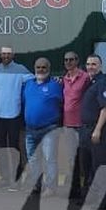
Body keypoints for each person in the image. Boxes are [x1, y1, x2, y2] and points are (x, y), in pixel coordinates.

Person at [21, 57, 66, 196]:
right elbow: (24, 103)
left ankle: (51, 188)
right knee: (33, 159)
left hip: (49, 129)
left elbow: (64, 104)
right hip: (30, 130)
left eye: (44, 67)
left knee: (49, 159)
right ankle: (36, 185)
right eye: (38, 67)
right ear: (34, 69)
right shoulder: (28, 84)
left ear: (49, 69)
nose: (41, 70)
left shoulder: (56, 85)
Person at [76, 54, 106, 209]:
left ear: (100, 66)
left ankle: (103, 201)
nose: (90, 66)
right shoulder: (90, 82)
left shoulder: (102, 83)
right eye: (88, 63)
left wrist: (98, 130)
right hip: (85, 129)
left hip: (97, 130)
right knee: (87, 165)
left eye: (94, 64)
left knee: (100, 166)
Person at [0, 46, 31, 188]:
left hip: (14, 114)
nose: (6, 56)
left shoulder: (21, 69)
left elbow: (36, 80)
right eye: (3, 53)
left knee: (14, 147)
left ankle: (16, 177)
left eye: (8, 53)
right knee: (0, 148)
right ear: (0, 54)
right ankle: (4, 178)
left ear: (13, 54)